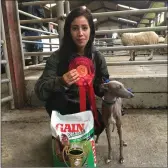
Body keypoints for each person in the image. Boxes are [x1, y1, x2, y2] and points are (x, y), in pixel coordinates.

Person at [34, 6, 109, 135]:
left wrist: (108, 88)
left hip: (85, 106)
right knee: (57, 103)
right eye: (75, 28)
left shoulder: (97, 57)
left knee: (100, 124)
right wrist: (61, 82)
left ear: (91, 30)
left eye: (84, 28)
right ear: (68, 31)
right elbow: (40, 91)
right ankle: (62, 129)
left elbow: (102, 88)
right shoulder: (57, 57)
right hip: (62, 106)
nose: (80, 33)